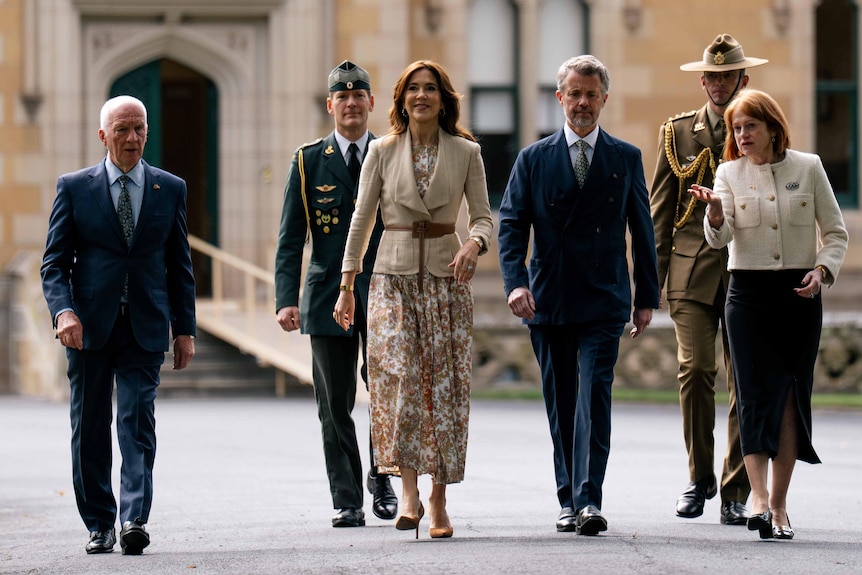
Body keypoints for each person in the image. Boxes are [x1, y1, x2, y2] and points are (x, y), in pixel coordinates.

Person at [498, 55, 659, 536]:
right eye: (575, 93)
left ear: (604, 99)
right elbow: (511, 225)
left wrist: (646, 295)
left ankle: (589, 500)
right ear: (559, 98)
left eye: (592, 94)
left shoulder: (625, 157)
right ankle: (567, 499)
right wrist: (516, 283)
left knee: (594, 395)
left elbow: (642, 229)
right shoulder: (532, 158)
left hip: (605, 296)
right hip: (547, 298)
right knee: (561, 401)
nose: (583, 102)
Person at [333, 60, 493, 539]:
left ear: (443, 100)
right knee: (398, 383)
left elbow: (484, 218)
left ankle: (440, 499)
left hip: (446, 280)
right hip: (392, 279)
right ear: (401, 99)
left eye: (430, 89)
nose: (421, 96)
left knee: (444, 389)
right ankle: (408, 492)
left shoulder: (467, 152)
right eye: (413, 89)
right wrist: (346, 286)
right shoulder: (381, 151)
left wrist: (474, 243)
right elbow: (361, 221)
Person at [689, 89, 848, 540]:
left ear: (773, 128)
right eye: (736, 129)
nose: (741, 136)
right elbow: (719, 241)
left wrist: (822, 270)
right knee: (754, 394)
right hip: (748, 296)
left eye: (750, 127)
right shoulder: (727, 172)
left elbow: (835, 233)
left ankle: (779, 505)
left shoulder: (809, 167)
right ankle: (757, 498)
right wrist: (716, 215)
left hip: (799, 294)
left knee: (790, 398)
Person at [41, 95, 197, 555]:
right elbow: (54, 264)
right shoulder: (74, 188)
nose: (132, 138)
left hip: (145, 324)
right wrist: (63, 311)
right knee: (90, 426)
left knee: (136, 422)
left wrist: (184, 328)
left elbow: (179, 264)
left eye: (140, 129)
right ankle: (99, 524)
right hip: (88, 326)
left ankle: (134, 518)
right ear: (103, 135)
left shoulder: (170, 188)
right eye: (123, 129)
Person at [274, 60, 397, 528]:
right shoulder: (308, 161)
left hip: (386, 286)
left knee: (388, 390)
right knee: (334, 402)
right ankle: (347, 498)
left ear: (371, 103)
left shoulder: (390, 154)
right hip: (327, 293)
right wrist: (287, 298)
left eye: (358, 95)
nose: (350, 103)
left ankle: (383, 476)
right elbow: (291, 238)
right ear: (330, 105)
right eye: (341, 97)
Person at [650, 33, 767, 524]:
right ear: (703, 81)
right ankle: (699, 479)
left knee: (746, 380)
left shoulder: (762, 132)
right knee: (696, 370)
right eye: (712, 77)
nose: (720, 84)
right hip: (691, 268)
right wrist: (647, 284)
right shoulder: (677, 133)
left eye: (729, 76)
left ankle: (735, 488)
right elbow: (659, 210)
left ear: (743, 79)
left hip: (748, 268)